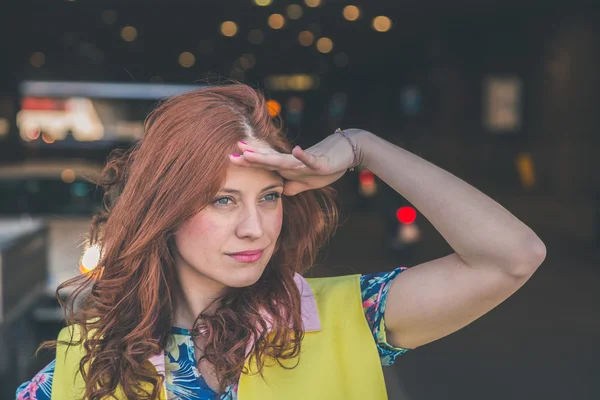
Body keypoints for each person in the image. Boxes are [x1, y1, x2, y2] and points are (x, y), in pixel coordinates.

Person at [16, 83, 546, 400]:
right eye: (223, 200)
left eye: (269, 197)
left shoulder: (350, 315)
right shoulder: (82, 361)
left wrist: (360, 147)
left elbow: (513, 257)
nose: (255, 226)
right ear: (165, 211)